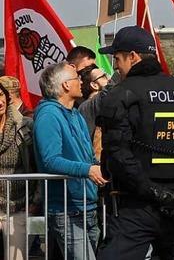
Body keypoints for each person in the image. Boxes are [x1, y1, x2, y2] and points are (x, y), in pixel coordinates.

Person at [96, 26, 174, 259]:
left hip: (135, 209)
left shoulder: (120, 95)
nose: (115, 66)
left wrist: (156, 193)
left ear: (133, 57)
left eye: (117, 58)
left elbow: (118, 157)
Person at [33, 62, 106, 259]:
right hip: (65, 209)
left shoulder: (76, 114)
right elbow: (50, 160)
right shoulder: (48, 115)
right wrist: (88, 170)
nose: (81, 81)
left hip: (87, 205)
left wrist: (99, 168)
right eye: (77, 78)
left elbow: (88, 156)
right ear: (65, 85)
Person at [0, 83, 38, 260]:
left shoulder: (24, 125)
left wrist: (35, 202)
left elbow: (37, 165)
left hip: (18, 207)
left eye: (1, 95)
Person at [78, 65, 110, 160]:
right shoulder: (90, 105)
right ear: (94, 85)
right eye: (104, 76)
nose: (108, 78)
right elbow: (109, 89)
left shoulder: (85, 106)